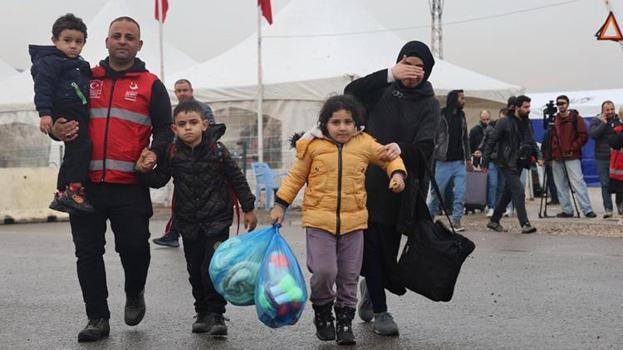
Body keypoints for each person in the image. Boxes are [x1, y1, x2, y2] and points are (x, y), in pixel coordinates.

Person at [50, 16, 174, 342]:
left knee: (134, 249)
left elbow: (165, 129)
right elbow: (59, 112)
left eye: (129, 37)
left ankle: (134, 293)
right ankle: (97, 318)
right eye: (116, 35)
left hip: (129, 185)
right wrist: (55, 128)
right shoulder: (84, 77)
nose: (122, 41)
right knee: (87, 253)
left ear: (138, 44)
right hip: (84, 186)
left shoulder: (151, 84)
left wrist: (156, 152)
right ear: (106, 42)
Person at [270, 95, 406, 345]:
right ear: (325, 124)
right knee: (324, 272)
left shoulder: (364, 143)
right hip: (319, 222)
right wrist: (280, 204)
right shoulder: (312, 146)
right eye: (336, 122)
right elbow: (295, 177)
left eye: (348, 122)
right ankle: (323, 312)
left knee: (349, 275)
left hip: (354, 224)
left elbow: (389, 157)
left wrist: (397, 173)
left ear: (357, 124)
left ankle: (344, 322)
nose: (342, 127)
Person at [136, 100, 257, 337]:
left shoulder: (218, 151)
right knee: (194, 269)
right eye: (182, 124)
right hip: (188, 222)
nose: (188, 128)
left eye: (193, 122)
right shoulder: (172, 153)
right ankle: (201, 312)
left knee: (213, 267)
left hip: (217, 221)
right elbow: (159, 179)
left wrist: (249, 207)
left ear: (204, 124)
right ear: (174, 129)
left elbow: (237, 179)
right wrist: (143, 171)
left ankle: (217, 314)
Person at [344, 41, 440, 336]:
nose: (413, 71)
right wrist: (389, 74)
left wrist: (402, 150)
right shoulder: (380, 91)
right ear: (398, 63)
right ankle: (382, 311)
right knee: (372, 243)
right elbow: (351, 94)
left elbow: (425, 145)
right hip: (368, 180)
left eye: (419, 66)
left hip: (403, 183)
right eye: (407, 63)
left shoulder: (429, 102)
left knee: (388, 247)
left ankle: (371, 288)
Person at [30, 13, 93, 214]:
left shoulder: (79, 64)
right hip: (64, 110)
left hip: (78, 110)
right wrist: (45, 114)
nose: (73, 46)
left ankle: (61, 192)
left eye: (78, 41)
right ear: (54, 40)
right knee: (82, 146)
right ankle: (73, 189)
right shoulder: (49, 62)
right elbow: (43, 88)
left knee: (75, 150)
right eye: (67, 41)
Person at [152, 78, 216, 247]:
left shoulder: (203, 109)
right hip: (181, 163)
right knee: (182, 198)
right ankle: (174, 233)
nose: (182, 93)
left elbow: (212, 133)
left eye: (185, 90)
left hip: (202, 163)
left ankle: (193, 235)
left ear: (191, 90)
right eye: (178, 91)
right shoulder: (174, 113)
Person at [483, 95, 541, 234]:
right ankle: (525, 224)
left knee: (507, 193)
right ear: (516, 107)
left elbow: (532, 141)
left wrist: (538, 156)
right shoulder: (504, 122)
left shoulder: (527, 123)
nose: (528, 110)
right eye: (525, 107)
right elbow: (491, 141)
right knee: (519, 192)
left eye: (529, 107)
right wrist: (485, 160)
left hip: (521, 162)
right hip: (507, 162)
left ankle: (494, 220)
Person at [427, 89, 472, 231]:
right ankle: (429, 218)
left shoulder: (462, 116)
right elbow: (433, 134)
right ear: (454, 99)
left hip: (459, 162)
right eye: (462, 98)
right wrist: (433, 151)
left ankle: (456, 221)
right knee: (436, 193)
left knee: (460, 193)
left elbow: (465, 138)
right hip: (443, 161)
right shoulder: (441, 114)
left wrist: (468, 158)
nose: (464, 101)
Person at [549, 95, 596, 218]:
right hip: (557, 156)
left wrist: (572, 148)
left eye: (563, 103)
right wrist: (552, 151)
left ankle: (587, 209)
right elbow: (551, 137)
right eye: (558, 103)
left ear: (568, 104)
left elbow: (583, 136)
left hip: (571, 156)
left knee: (578, 182)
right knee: (560, 184)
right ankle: (567, 210)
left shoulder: (576, 118)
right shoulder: (554, 119)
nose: (561, 105)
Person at [589, 100, 621, 218]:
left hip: (617, 157)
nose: (610, 112)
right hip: (602, 158)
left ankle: (620, 206)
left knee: (619, 183)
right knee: (605, 184)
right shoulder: (596, 120)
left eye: (612, 109)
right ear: (602, 110)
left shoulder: (619, 120)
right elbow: (593, 135)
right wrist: (603, 123)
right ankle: (608, 209)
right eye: (607, 110)